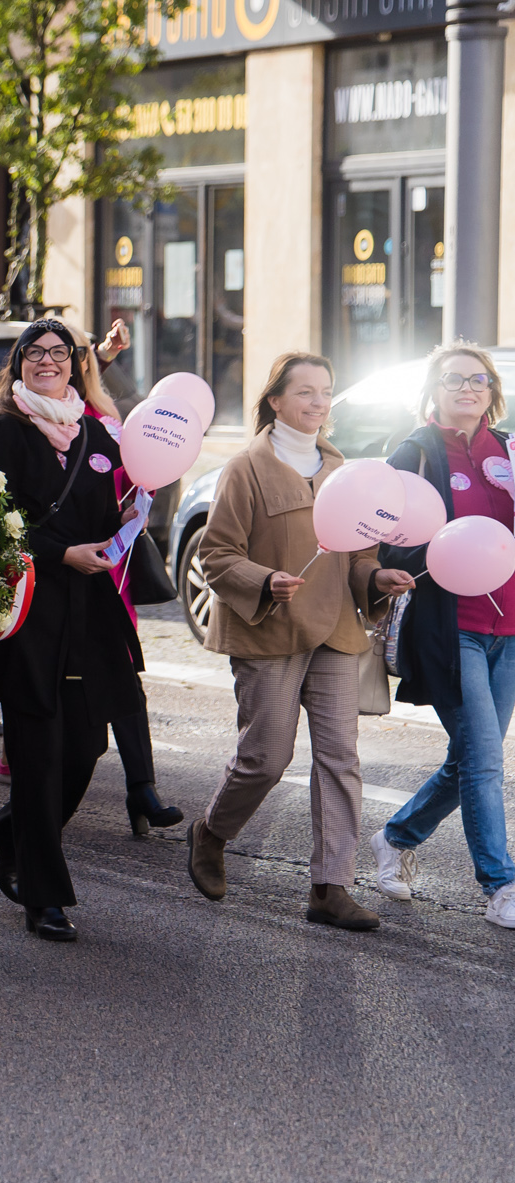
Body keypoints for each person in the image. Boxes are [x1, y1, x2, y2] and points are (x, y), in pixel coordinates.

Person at [189, 353, 409, 929]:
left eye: (326, 392)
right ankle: (210, 832)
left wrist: (377, 577)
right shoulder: (246, 468)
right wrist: (264, 580)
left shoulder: (341, 466)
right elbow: (215, 555)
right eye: (305, 392)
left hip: (335, 630)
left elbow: (357, 554)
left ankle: (330, 887)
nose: (317, 402)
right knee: (266, 757)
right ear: (276, 400)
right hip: (271, 630)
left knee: (341, 759)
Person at [0, 319, 143, 943]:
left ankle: (11, 830)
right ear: (18, 365)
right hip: (28, 613)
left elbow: (101, 510)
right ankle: (43, 894)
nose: (47, 361)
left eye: (58, 353)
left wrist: (125, 516)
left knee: (86, 748)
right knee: (39, 756)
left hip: (90, 615)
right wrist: (57, 552)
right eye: (34, 353)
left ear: (76, 364)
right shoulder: (1, 430)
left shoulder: (97, 432)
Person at [373, 343, 515, 930]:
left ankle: (397, 835)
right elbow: (387, 537)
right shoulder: (416, 451)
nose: (467, 388)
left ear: (492, 391)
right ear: (434, 390)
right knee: (484, 759)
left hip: (510, 627)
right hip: (451, 626)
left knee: (470, 758)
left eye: (478, 379)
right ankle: (501, 885)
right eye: (453, 379)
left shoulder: (507, 448)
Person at [70, 329, 183, 834]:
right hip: (59, 570)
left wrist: (139, 495)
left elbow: (139, 467)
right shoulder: (24, 421)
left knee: (123, 677)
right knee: (78, 706)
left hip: (109, 569)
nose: (75, 359)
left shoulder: (110, 418)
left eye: (78, 350)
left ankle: (143, 787)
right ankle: (19, 818)